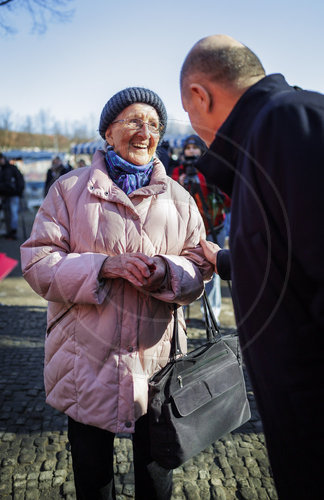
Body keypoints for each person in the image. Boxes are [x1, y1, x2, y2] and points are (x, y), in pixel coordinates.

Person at [21, 87, 212, 500]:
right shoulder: (68, 190)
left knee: (156, 477)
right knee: (94, 480)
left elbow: (199, 268)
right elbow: (37, 264)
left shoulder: (180, 200)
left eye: (154, 125)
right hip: (84, 365)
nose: (145, 132)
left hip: (160, 366)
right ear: (108, 132)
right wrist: (103, 266)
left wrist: (166, 270)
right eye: (133, 121)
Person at [180, 34, 324, 499]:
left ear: (200, 96)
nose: (193, 128)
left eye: (187, 113)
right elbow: (289, 253)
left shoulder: (287, 122)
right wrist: (222, 260)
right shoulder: (263, 143)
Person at [172, 134, 229, 324]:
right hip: (186, 230)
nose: (191, 151)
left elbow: (227, 198)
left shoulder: (210, 170)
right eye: (188, 148)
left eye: (194, 147)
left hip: (214, 226)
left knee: (213, 271)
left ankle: (212, 314)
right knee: (183, 270)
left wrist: (210, 184)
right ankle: (181, 311)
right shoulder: (177, 171)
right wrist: (179, 183)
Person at [0, 153, 25, 240]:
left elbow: (19, 180)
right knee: (8, 214)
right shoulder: (4, 169)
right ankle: (10, 231)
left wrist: (19, 191)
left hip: (13, 194)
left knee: (13, 213)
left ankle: (13, 232)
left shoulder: (10, 168)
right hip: (6, 195)